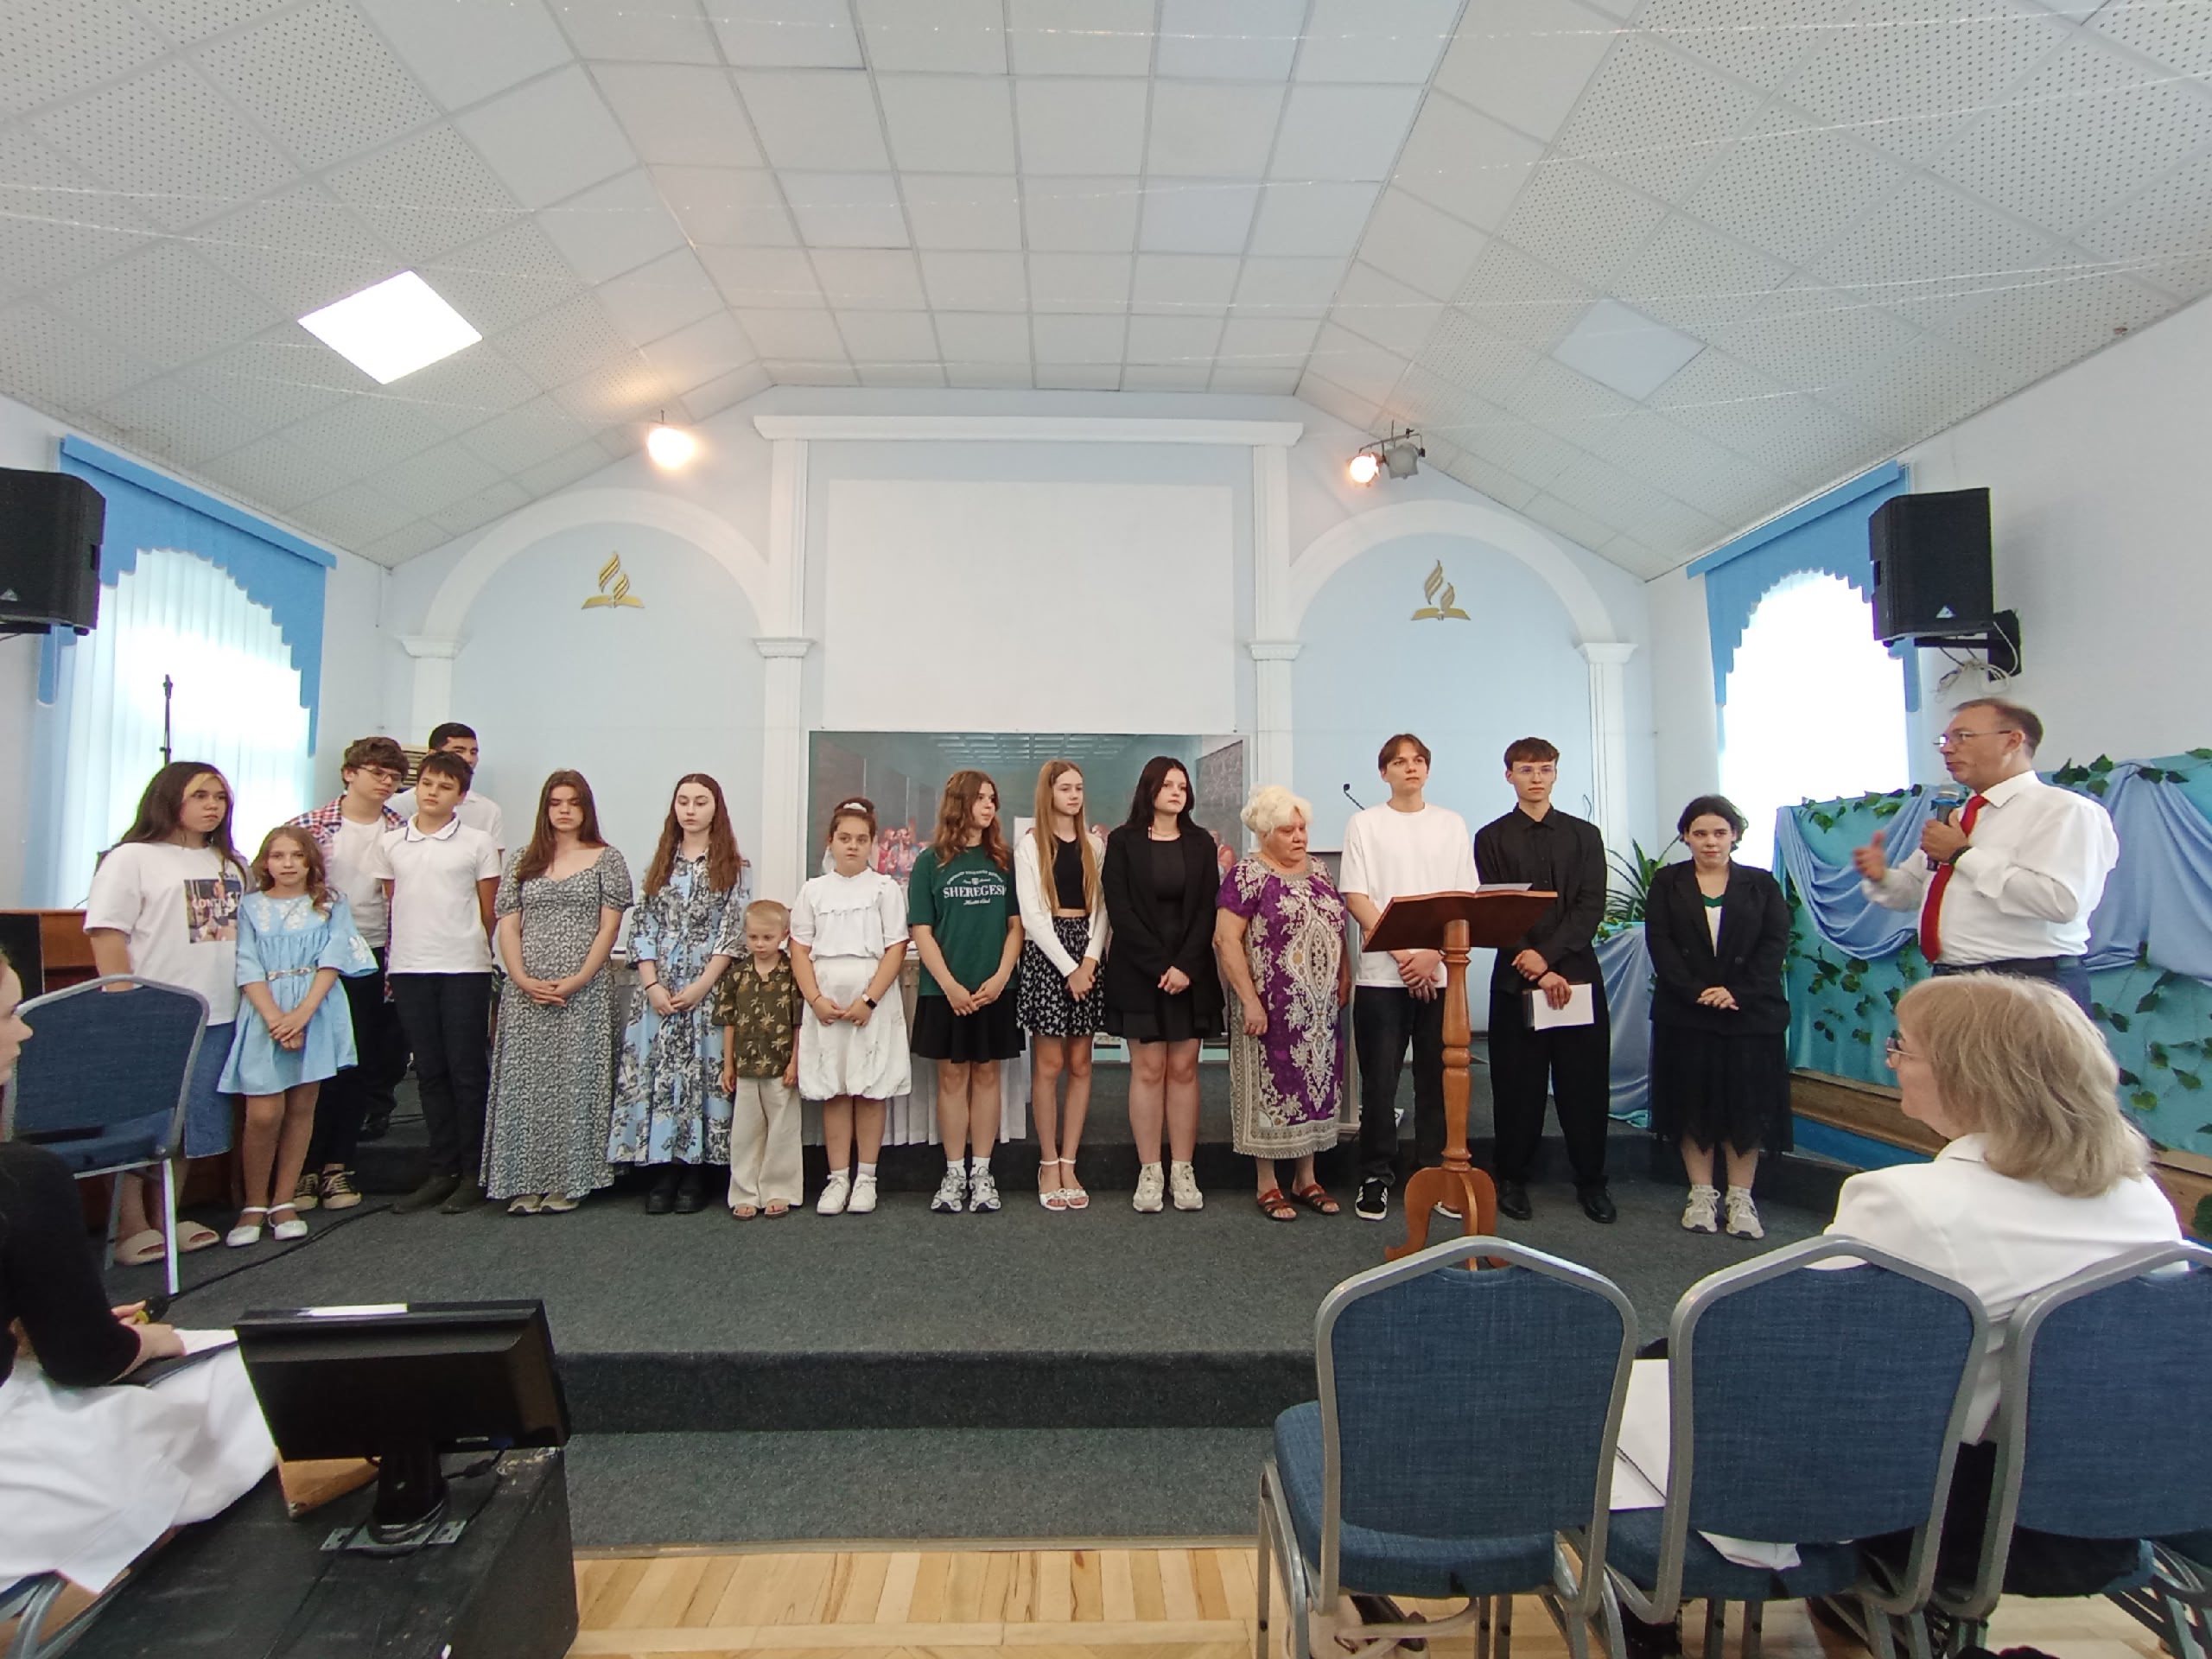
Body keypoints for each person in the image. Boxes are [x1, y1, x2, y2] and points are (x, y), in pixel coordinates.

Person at [1834, 972, 2183, 1592]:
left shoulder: (1907, 1201)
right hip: (2119, 1506)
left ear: (1967, 1077)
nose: (1891, 1063)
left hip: (1947, 1517)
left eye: (1902, 1048)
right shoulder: (2144, 1200)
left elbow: (1807, 1361)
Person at [0, 947, 277, 1596]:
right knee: (237, 1379)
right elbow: (86, 1361)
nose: (26, 1031)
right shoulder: (21, 1179)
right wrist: (143, 1340)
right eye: (10, 1015)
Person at [1852, 698, 2118, 1012]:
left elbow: (2060, 902)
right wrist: (1881, 877)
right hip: (1952, 979)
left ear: (2012, 741)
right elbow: (1915, 892)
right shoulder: (1960, 815)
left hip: (2028, 982)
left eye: (1963, 737)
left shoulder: (2064, 810)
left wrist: (1962, 854)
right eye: (1945, 740)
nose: (1947, 749)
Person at [84, 760, 248, 1266]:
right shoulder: (132, 858)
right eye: (200, 795)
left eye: (219, 796)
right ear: (169, 798)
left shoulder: (230, 863)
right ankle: (130, 1226)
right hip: (153, 1015)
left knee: (189, 1124)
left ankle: (168, 1216)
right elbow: (107, 933)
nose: (212, 805)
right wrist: (125, 1000)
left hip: (219, 1012)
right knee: (140, 1122)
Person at [1338, 734, 1478, 1224]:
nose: (1411, 768)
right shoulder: (1365, 823)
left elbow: (1464, 899)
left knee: (1437, 1080)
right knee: (1380, 1083)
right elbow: (1358, 898)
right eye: (1400, 762)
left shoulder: (1451, 824)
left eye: (1419, 760)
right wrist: (1404, 956)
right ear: (1384, 773)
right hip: (1382, 975)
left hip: (1440, 972)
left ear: (1428, 769)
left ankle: (1434, 1173)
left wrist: (1433, 955)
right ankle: (1376, 1175)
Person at [1475, 736, 1614, 1224]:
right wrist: (1531, 961)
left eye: (1545, 769)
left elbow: (1590, 906)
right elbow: (1496, 908)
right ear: (1509, 775)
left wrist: (1549, 960)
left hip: (1575, 976)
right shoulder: (1491, 838)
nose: (1536, 778)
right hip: (1516, 977)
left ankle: (1591, 1181)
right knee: (1518, 1085)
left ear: (1555, 774)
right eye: (1526, 769)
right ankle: (1512, 1178)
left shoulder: (1585, 835)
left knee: (1584, 1084)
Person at [218, 826, 378, 1247]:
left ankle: (284, 1200)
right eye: (278, 856)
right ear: (265, 862)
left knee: (302, 1108)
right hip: (265, 1010)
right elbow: (246, 962)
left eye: (296, 855)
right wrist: (277, 1019)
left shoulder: (330, 903)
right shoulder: (249, 906)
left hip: (315, 1009)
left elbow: (335, 956)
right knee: (263, 1113)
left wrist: (303, 1015)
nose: (287, 864)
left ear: (310, 861)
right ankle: (254, 1203)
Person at [483, 772, 632, 1214]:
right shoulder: (523, 860)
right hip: (527, 988)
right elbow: (509, 925)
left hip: (583, 989)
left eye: (573, 802)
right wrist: (520, 977)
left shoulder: (607, 859)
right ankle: (523, 1179)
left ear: (586, 808)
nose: (564, 810)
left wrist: (580, 978)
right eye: (555, 803)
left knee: (575, 1083)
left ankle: (572, 1180)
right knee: (525, 1085)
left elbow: (609, 928)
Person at [1643, 796, 1791, 1241]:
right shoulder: (1667, 883)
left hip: (1748, 1013)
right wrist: (1696, 991)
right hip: (1686, 1012)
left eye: (1720, 833)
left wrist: (1736, 992)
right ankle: (1702, 1194)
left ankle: (1741, 1198)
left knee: (1746, 1106)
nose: (1711, 842)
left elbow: (1774, 944)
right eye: (1701, 833)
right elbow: (1661, 943)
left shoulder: (1761, 884)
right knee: (1692, 1103)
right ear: (1686, 837)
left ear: (1735, 836)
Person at [368, 748, 502, 1215]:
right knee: (429, 1071)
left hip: (464, 966)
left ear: (461, 796)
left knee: (466, 1069)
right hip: (409, 967)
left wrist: (472, 945)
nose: (433, 793)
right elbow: (394, 900)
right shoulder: (392, 843)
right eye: (427, 783)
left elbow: (488, 910)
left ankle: (474, 1171)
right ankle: (441, 1169)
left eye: (446, 787)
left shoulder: (477, 843)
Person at [610, 773, 747, 1215]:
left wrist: (704, 984)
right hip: (660, 988)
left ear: (716, 809)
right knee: (659, 1074)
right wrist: (651, 984)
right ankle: (662, 1168)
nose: (690, 809)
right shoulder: (660, 864)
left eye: (700, 802)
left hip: (708, 986)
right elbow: (642, 926)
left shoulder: (734, 866)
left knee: (703, 1076)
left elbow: (732, 931)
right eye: (683, 801)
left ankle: (697, 1171)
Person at [1215, 785, 1351, 1222]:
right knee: (1273, 1092)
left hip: (1320, 1010)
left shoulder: (1320, 870)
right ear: (1264, 834)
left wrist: (1344, 973)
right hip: (1270, 1009)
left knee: (1315, 1087)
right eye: (1288, 830)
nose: (1300, 837)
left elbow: (1337, 925)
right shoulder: (1247, 875)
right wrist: (1249, 1001)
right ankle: (1268, 1182)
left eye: (1302, 828)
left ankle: (1306, 1178)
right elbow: (1226, 940)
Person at [286, 734, 408, 1203]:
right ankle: (304, 1166)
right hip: (315, 958)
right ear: (349, 773)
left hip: (375, 953)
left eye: (394, 777)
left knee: (359, 1061)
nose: (386, 782)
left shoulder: (402, 829)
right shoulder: (308, 827)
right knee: (314, 1064)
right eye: (377, 772)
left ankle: (339, 1165)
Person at [1101, 756, 1224, 1214]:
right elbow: (1120, 910)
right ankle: (1150, 1170)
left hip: (1191, 971)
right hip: (1140, 971)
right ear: (1149, 790)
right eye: (1168, 785)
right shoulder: (1123, 842)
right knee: (1148, 1070)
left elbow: (1208, 908)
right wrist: (1160, 966)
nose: (1177, 792)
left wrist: (1185, 966)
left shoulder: (1201, 842)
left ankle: (1183, 1170)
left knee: (1185, 1069)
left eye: (1182, 786)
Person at [909, 771, 1024, 1216]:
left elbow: (1016, 926)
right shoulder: (930, 862)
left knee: (988, 1075)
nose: (989, 806)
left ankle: (982, 1172)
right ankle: (954, 1172)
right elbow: (922, 930)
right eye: (980, 798)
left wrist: (1000, 977)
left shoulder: (1004, 861)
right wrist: (950, 986)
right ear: (959, 803)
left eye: (993, 798)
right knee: (952, 1078)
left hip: (996, 989)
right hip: (945, 992)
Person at [792, 798, 912, 1216]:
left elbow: (896, 947)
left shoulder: (885, 890)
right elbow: (799, 949)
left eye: (862, 839)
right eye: (845, 838)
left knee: (870, 1089)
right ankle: (837, 1177)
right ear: (831, 840)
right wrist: (815, 999)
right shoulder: (813, 891)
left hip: (871, 1001)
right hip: (826, 1001)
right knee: (837, 1089)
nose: (853, 846)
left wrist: (869, 999)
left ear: (872, 844)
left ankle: (866, 1179)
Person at [1014, 760, 1109, 1212]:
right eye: (1066, 788)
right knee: (1049, 1065)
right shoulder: (1031, 845)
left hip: (1086, 952)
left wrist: (1089, 961)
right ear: (1048, 793)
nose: (1074, 795)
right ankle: (1048, 1161)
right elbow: (1032, 916)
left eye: (1079, 788)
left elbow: (1103, 908)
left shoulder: (1095, 844)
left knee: (1081, 1064)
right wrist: (1069, 967)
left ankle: (1070, 1161)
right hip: (1048, 954)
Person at [716, 899, 804, 1218]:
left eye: (768, 937)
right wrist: (728, 1065)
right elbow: (728, 1020)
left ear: (784, 935)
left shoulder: (792, 974)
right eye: (753, 937)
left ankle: (779, 1190)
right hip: (745, 1065)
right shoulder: (737, 975)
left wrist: (795, 1062)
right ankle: (745, 1192)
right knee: (745, 1132)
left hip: (781, 1065)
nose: (760, 944)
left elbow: (799, 1022)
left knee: (783, 1129)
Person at [390, 721, 506, 857]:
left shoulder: (489, 810)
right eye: (459, 751)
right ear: (432, 754)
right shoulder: (400, 805)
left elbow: (494, 862)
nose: (468, 759)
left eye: (473, 752)